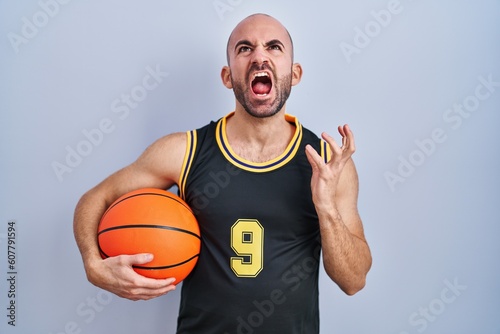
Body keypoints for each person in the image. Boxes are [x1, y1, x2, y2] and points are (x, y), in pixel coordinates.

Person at [73, 13, 372, 333]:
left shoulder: (327, 161)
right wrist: (93, 263)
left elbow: (353, 281)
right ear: (228, 76)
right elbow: (95, 198)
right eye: (245, 48)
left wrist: (325, 207)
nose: (260, 55)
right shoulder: (185, 151)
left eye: (274, 47)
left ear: (294, 73)